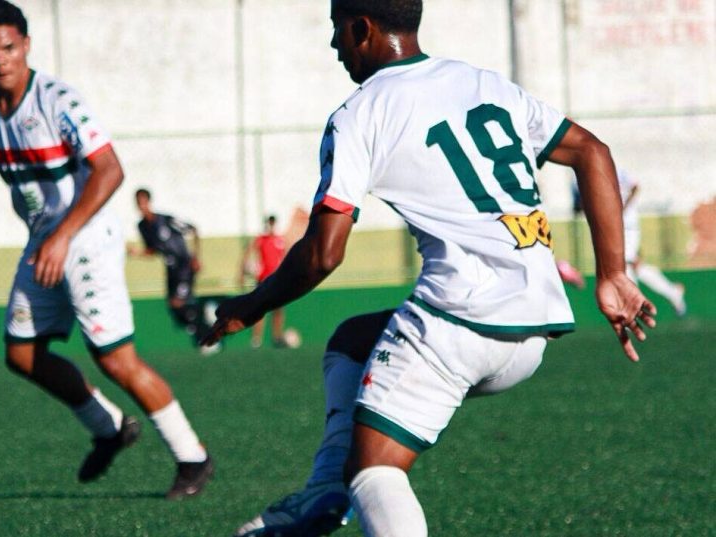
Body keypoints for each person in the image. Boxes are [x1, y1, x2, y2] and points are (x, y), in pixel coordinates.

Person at [203, 1, 657, 535]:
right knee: (352, 340)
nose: (334, 47)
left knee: (374, 471)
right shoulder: (485, 83)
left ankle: (335, 486)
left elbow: (324, 253)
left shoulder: (359, 112)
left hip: (458, 320)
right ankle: (323, 488)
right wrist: (612, 272)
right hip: (535, 328)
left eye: (336, 32)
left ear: (362, 28)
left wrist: (250, 305)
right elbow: (593, 152)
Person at [0, 0, 212, 499]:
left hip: (85, 240)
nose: (0, 59)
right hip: (44, 242)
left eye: (8, 48)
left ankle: (192, 457)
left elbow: (110, 168)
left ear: (25, 45)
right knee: (21, 354)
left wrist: (65, 235)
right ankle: (109, 428)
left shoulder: (58, 100)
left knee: (115, 359)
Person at [132, 188, 219, 352]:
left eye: (143, 201)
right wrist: (137, 253)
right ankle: (206, 314)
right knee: (175, 308)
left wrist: (195, 257)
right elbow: (152, 250)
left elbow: (193, 229)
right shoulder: (143, 226)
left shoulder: (166, 220)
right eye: (138, 203)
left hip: (184, 266)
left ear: (149, 202)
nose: (141, 206)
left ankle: (207, 339)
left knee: (178, 302)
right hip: (170, 270)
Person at [617, 169, 686, 316]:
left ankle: (632, 310)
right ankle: (672, 292)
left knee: (626, 264)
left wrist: (623, 209)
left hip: (627, 226)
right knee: (633, 265)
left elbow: (635, 187)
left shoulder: (619, 171)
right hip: (616, 226)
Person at [239, 215, 293, 348]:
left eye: (273, 223)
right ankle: (256, 339)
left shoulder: (280, 240)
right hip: (263, 279)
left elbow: (286, 258)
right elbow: (248, 252)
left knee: (278, 310)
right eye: (269, 223)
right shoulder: (261, 239)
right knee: (260, 310)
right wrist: (242, 271)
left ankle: (277, 337)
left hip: (278, 279)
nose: (271, 226)